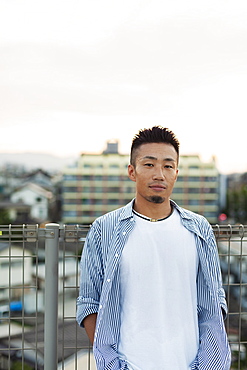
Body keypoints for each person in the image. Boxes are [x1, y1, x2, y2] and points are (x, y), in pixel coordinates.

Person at [76, 126, 231, 370]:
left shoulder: (199, 229)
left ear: (176, 173)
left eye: (168, 166)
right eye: (149, 165)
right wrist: (111, 362)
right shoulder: (104, 229)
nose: (159, 174)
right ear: (132, 171)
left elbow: (214, 301)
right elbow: (89, 301)